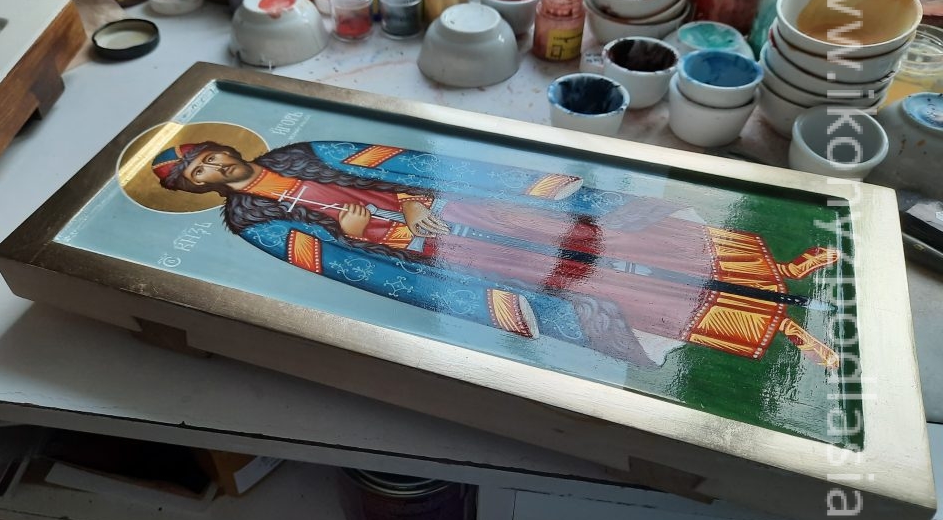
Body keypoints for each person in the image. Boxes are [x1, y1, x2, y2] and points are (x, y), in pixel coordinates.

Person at [152, 139, 841, 369]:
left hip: (460, 208)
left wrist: (415, 198)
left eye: (210, 156)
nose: (214, 168)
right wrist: (369, 234)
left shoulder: (298, 154)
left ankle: (773, 271)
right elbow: (337, 265)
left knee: (600, 240)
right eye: (200, 173)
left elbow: (403, 160)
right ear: (198, 188)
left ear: (224, 149)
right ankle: (770, 323)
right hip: (432, 252)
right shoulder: (249, 221)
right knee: (582, 286)